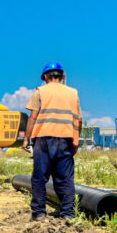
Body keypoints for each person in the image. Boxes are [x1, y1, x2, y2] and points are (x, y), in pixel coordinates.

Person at [22, 62, 82, 221]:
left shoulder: (40, 92)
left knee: (40, 177)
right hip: (66, 138)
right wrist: (75, 142)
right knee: (65, 179)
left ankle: (38, 213)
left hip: (43, 139)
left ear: (45, 76)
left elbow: (33, 117)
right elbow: (79, 120)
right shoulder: (73, 93)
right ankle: (68, 214)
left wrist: (26, 139)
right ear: (62, 76)